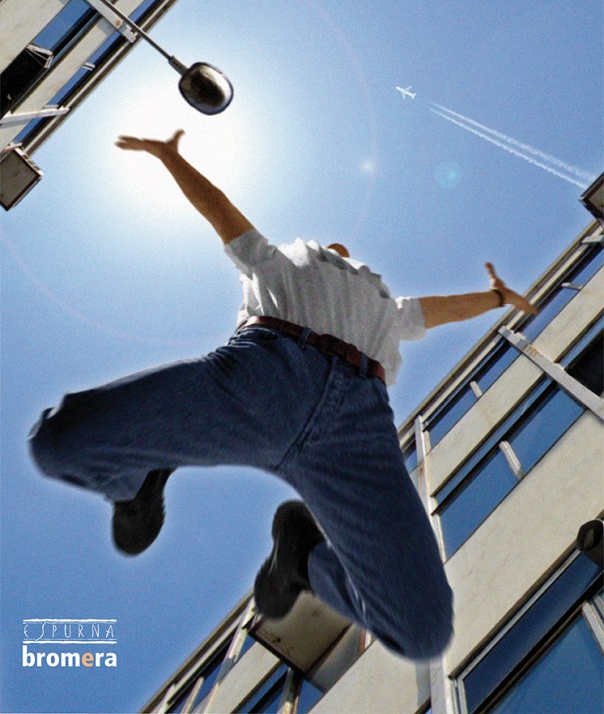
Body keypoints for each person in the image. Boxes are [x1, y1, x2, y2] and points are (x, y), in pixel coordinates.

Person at [29, 129, 537, 662]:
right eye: (333, 250)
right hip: (261, 378)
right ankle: (135, 486)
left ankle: (301, 559)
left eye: (348, 255)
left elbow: (444, 309)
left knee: (423, 633)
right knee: (58, 443)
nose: (343, 255)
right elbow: (218, 208)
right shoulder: (279, 260)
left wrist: (497, 297)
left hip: (356, 431)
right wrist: (171, 158)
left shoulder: (388, 306)